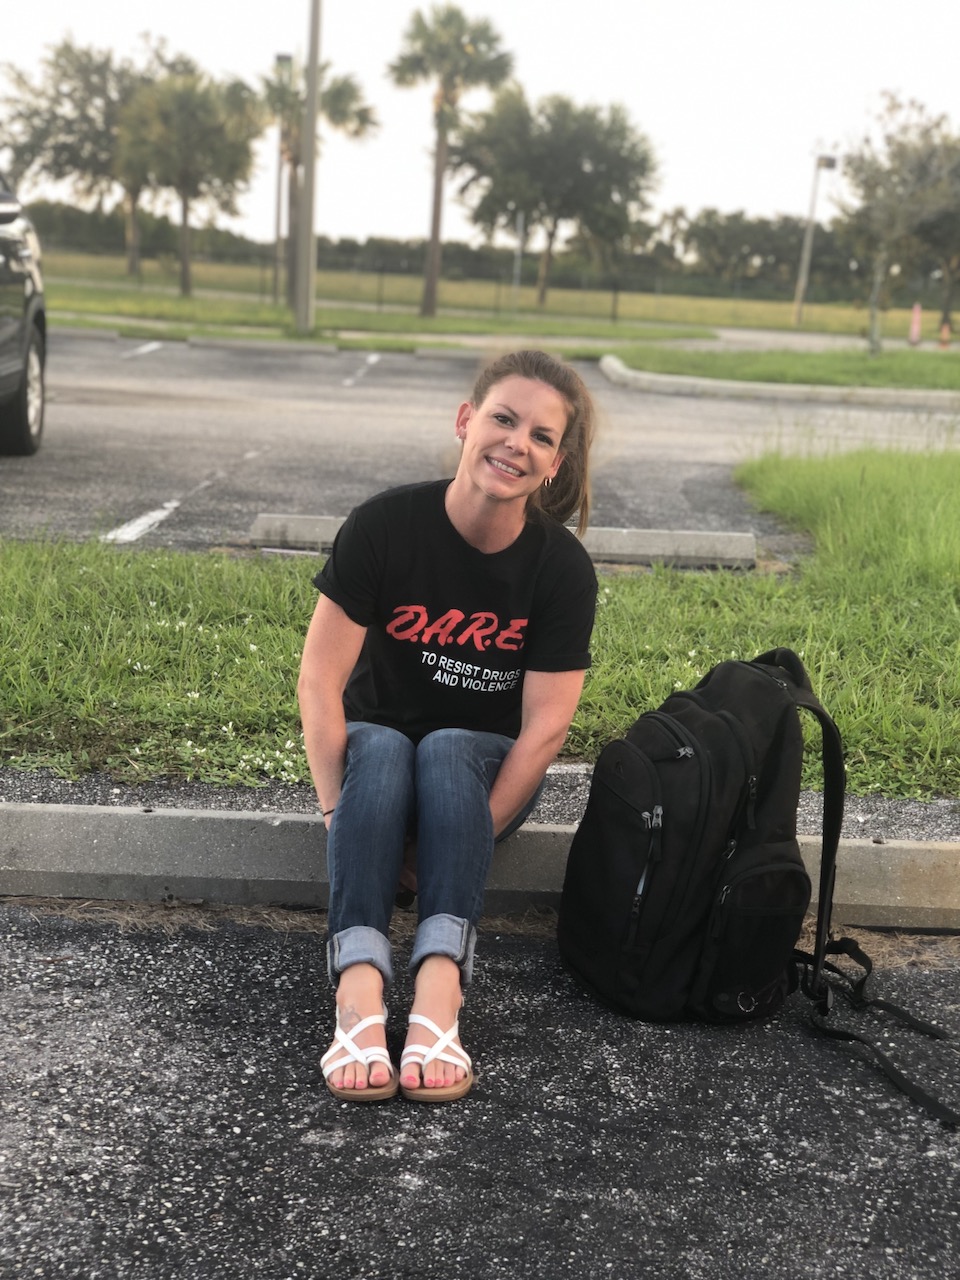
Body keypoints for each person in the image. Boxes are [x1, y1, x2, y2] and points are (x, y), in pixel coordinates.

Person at [298, 349, 598, 1103]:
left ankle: (440, 991)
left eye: (540, 436)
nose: (515, 443)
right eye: (503, 418)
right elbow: (321, 683)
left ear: (555, 464)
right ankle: (358, 998)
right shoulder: (384, 526)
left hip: (482, 776)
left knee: (450, 747)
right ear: (467, 421)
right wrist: (339, 813)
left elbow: (543, 735)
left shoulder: (560, 569)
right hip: (374, 766)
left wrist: (449, 848)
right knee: (391, 744)